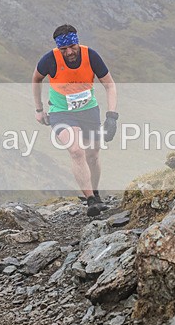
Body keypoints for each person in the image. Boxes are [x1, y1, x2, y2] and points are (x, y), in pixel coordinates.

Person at [32, 24, 118, 217]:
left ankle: (95, 193)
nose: (69, 52)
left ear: (77, 42)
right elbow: (36, 79)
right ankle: (90, 201)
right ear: (58, 48)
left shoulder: (91, 56)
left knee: (93, 154)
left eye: (72, 47)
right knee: (76, 150)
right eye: (64, 49)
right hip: (61, 112)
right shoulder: (49, 60)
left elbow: (110, 85)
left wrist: (112, 116)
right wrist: (39, 110)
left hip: (88, 111)